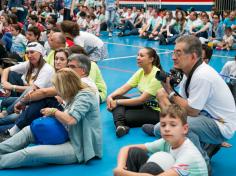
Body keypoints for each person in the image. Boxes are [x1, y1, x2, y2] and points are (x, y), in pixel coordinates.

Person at [143, 35, 236, 169]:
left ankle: (203, 164)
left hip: (221, 125)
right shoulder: (189, 75)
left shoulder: (202, 75)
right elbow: (182, 106)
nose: (173, 57)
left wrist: (170, 93)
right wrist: (167, 95)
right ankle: (203, 147)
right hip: (206, 117)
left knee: (180, 128)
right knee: (159, 129)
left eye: (178, 53)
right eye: (173, 52)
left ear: (193, 56)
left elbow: (192, 111)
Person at [0, 68, 102, 169]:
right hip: (68, 134)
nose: (56, 90)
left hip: (78, 146)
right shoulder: (73, 94)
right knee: (28, 131)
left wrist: (53, 112)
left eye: (57, 87)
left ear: (66, 86)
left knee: (30, 152)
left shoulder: (85, 95)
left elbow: (71, 119)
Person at [113, 104, 208, 176]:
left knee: (151, 168)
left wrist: (122, 173)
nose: (166, 129)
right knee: (134, 152)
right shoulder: (166, 142)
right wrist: (120, 167)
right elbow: (126, 148)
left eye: (173, 125)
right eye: (163, 125)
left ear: (185, 129)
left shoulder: (189, 155)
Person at [107, 47, 162, 138]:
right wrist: (110, 97)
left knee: (124, 113)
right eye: (137, 55)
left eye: (141, 56)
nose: (138, 57)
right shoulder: (140, 72)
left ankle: (120, 125)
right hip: (145, 106)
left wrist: (116, 103)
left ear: (151, 59)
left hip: (156, 111)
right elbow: (124, 88)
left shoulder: (157, 75)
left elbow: (141, 100)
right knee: (116, 97)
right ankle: (121, 126)